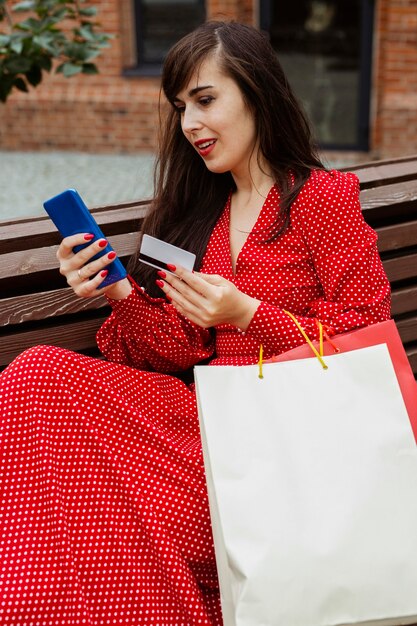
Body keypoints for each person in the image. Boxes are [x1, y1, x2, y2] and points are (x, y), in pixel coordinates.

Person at [0, 20, 390, 626]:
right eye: (181, 107)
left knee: (98, 498)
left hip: (287, 440)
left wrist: (250, 315)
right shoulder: (203, 212)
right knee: (39, 373)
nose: (189, 125)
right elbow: (175, 350)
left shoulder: (320, 198)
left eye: (206, 101)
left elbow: (368, 332)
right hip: (207, 422)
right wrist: (120, 290)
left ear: (257, 93)